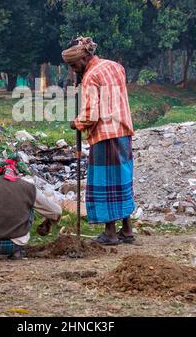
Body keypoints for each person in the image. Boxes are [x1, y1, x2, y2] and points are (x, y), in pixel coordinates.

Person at [62, 36, 135, 245]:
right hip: (123, 131)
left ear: (84, 58)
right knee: (122, 179)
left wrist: (76, 123)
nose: (74, 69)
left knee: (106, 183)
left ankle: (110, 233)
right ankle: (127, 230)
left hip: (105, 135)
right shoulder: (115, 66)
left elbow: (90, 114)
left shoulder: (91, 76)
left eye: (74, 65)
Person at [0, 154, 62, 261]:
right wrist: (47, 220)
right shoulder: (29, 188)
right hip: (16, 244)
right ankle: (16, 252)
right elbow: (56, 211)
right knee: (29, 210)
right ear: (17, 172)